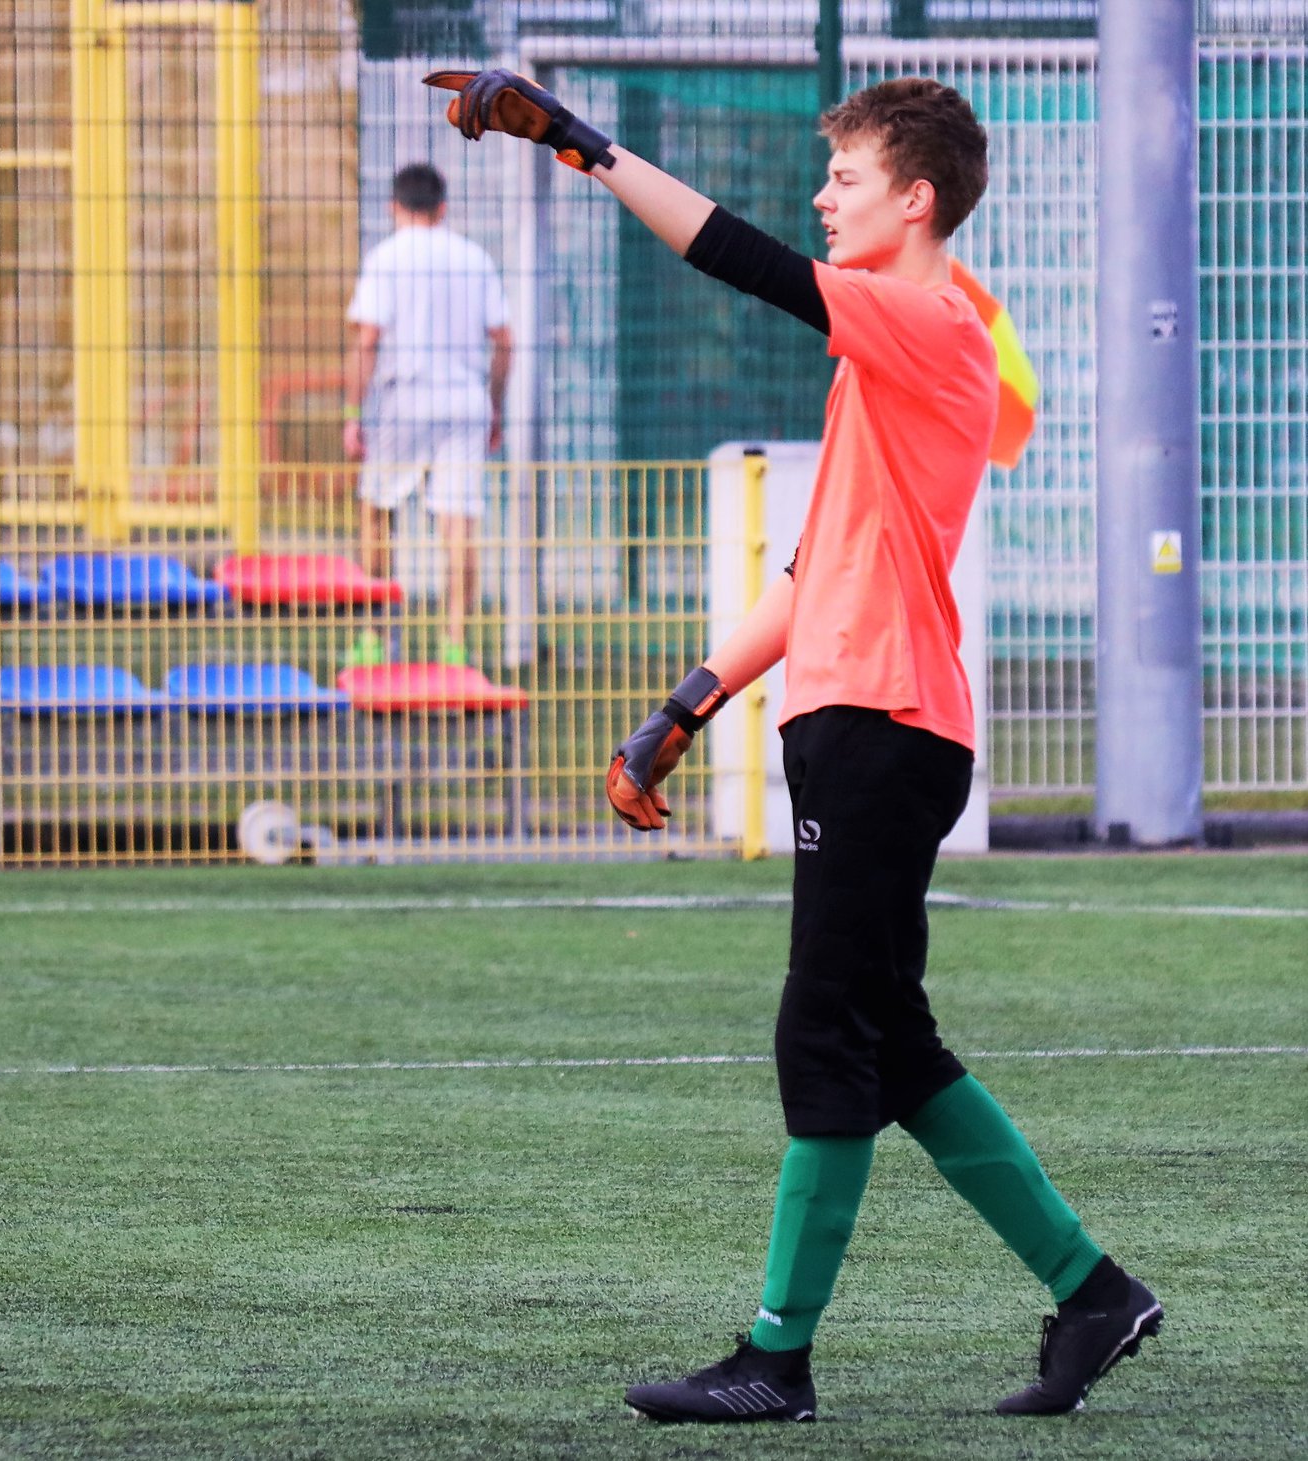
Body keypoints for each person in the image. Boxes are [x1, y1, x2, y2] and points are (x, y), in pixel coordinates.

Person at [429, 70, 1162, 1423]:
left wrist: (581, 144)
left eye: (845, 177)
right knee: (890, 1045)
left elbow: (738, 257)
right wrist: (681, 708)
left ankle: (776, 1360)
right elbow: (808, 573)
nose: (822, 197)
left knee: (823, 1033)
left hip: (885, 728)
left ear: (914, 200)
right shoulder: (883, 353)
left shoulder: (927, 319)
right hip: (856, 727)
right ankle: (1093, 1293)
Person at [342, 162, 512, 668]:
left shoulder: (385, 258)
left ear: (394, 207)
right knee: (458, 523)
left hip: (403, 398)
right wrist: (494, 407)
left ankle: (376, 637)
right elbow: (505, 340)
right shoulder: (474, 258)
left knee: (377, 512)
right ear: (442, 208)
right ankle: (454, 643)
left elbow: (367, 341)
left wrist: (353, 413)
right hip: (464, 401)